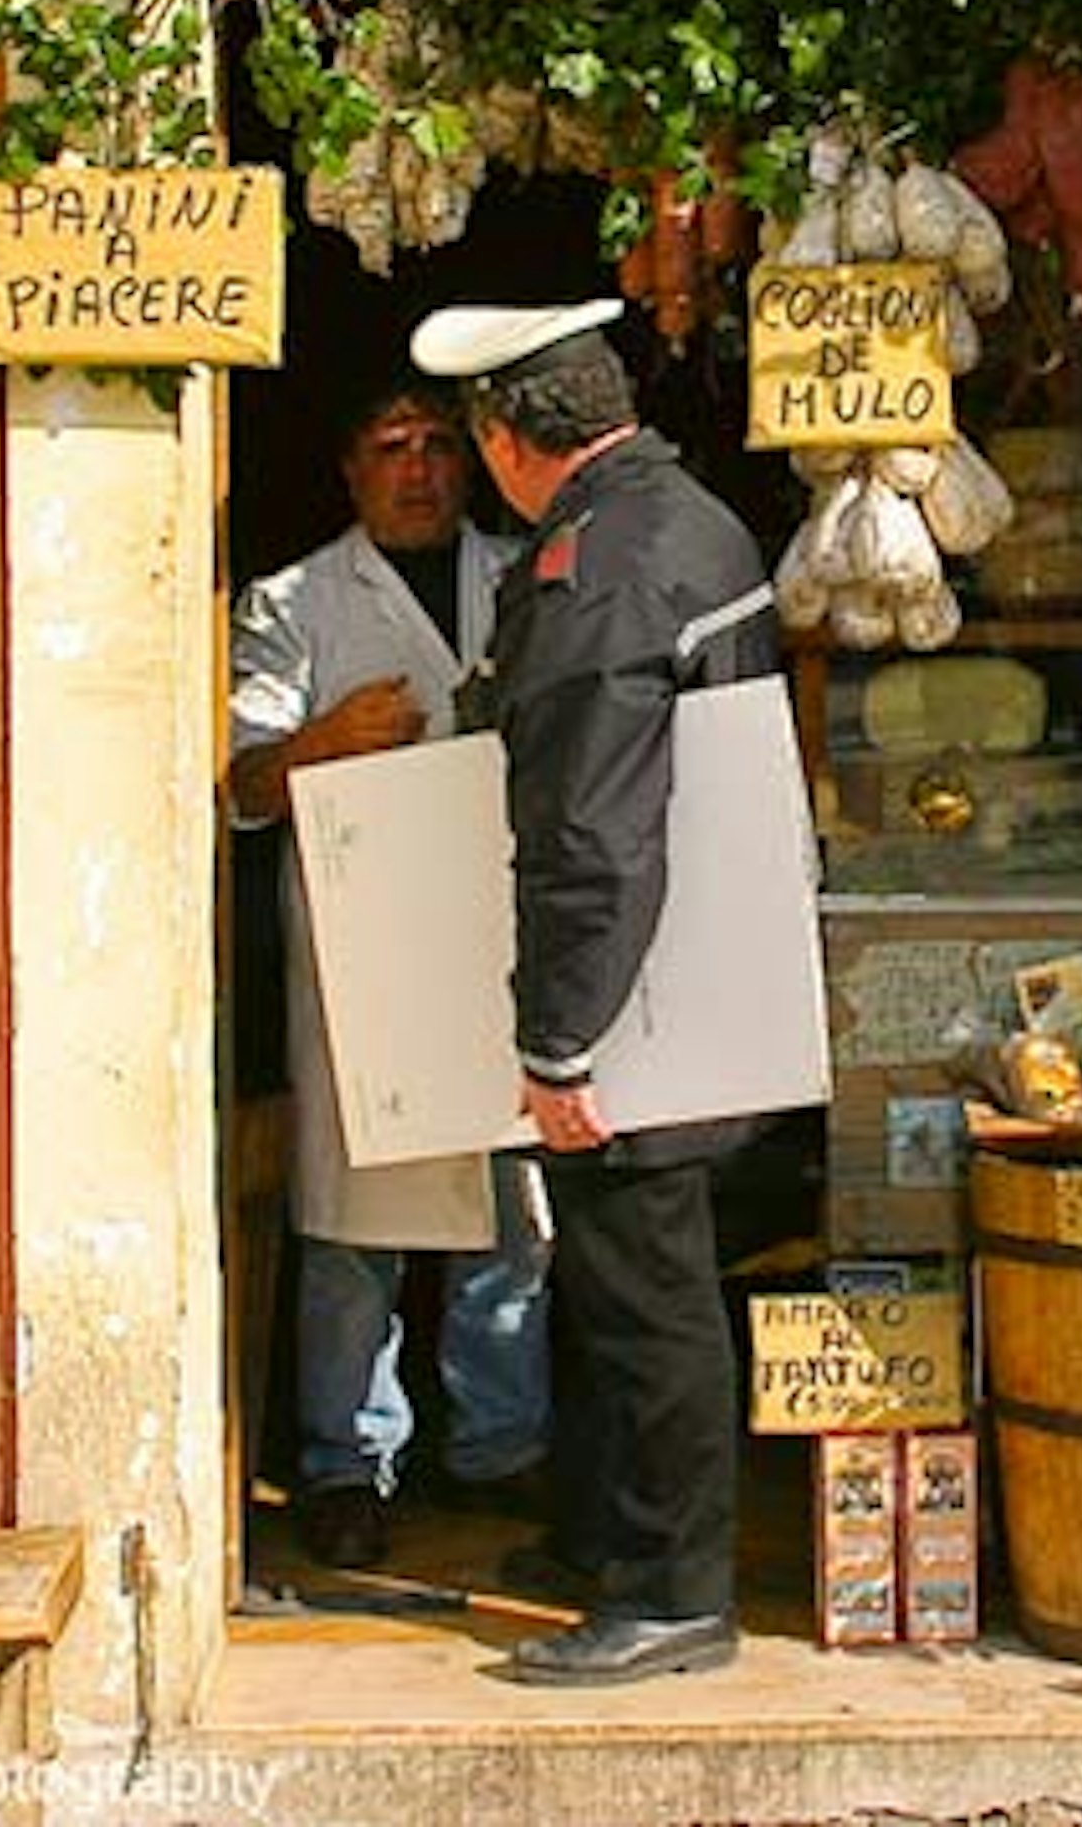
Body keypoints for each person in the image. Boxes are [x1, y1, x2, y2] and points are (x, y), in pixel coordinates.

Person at [412, 295, 779, 1688]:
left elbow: (591, 829)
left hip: (639, 1000)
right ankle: (605, 1538)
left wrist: (559, 1041)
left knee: (649, 1292)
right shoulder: (682, 518)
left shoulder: (601, 569)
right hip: (693, 968)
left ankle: (679, 1592)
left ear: (505, 439)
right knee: (619, 1279)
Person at [226, 377, 553, 1574]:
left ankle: (501, 1446)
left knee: (507, 1215)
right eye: (388, 443)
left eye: (434, 446)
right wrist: (318, 743)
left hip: (503, 932)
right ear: (350, 472)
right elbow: (236, 785)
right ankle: (344, 1462)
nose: (416, 467)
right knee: (355, 1225)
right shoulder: (296, 602)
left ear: (470, 463)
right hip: (363, 951)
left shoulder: (529, 576)